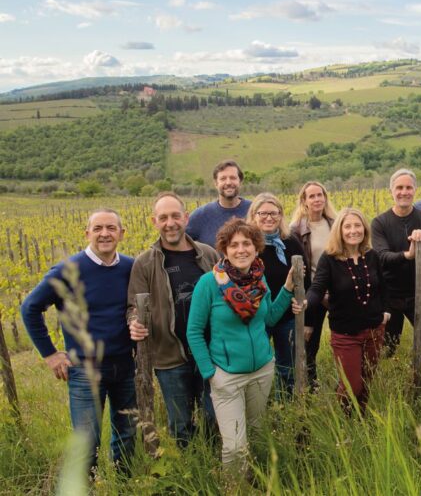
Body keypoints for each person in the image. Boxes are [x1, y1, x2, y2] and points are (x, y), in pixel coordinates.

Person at [21, 209, 136, 472]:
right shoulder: (68, 269)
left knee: (128, 436)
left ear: (121, 233)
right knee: (87, 444)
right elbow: (30, 308)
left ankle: (124, 486)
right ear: (87, 233)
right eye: (97, 229)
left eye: (110, 228)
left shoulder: (130, 266)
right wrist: (50, 354)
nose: (104, 234)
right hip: (85, 370)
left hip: (126, 367)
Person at [186, 219, 303, 470]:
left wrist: (287, 289)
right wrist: (210, 373)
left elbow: (269, 318)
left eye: (247, 244)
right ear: (224, 250)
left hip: (262, 370)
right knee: (235, 446)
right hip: (226, 377)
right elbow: (194, 332)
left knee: (258, 430)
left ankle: (259, 480)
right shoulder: (209, 283)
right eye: (234, 245)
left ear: (256, 247)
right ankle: (235, 487)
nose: (241, 250)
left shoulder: (259, 280)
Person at [127, 192, 221, 447]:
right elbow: (134, 306)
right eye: (163, 217)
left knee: (215, 418)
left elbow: (225, 297)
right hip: (170, 357)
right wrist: (134, 322)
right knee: (180, 425)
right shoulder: (145, 263)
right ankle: (190, 471)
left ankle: (215, 469)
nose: (170, 223)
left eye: (175, 216)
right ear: (154, 221)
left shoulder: (208, 255)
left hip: (210, 352)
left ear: (186, 218)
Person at [308, 208, 391, 411]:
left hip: (374, 329)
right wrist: (306, 303)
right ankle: (344, 421)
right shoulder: (329, 259)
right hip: (346, 333)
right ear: (339, 230)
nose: (353, 230)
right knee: (352, 385)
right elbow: (317, 288)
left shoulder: (372, 256)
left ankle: (361, 420)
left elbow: (383, 286)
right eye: (348, 226)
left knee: (367, 381)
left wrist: (386, 311)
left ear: (364, 228)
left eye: (357, 225)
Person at [372, 169, 421, 360]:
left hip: (420, 292)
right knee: (386, 348)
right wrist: (408, 255)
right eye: (399, 187)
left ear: (415, 190)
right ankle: (388, 382)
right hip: (389, 295)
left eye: (409, 187)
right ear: (391, 190)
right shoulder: (379, 223)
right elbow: (381, 257)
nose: (404, 192)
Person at [247, 193, 310, 397]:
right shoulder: (247, 245)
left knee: (288, 367)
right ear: (254, 215)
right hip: (256, 318)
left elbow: (305, 277)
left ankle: (286, 406)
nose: (268, 218)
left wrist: (303, 299)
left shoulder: (290, 242)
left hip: (287, 316)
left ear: (281, 215)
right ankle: (261, 406)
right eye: (263, 213)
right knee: (258, 367)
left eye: (274, 213)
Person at [290, 180, 336, 389]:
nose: (317, 199)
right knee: (310, 341)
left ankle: (346, 382)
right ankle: (310, 386)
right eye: (312, 196)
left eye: (320, 195)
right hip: (314, 292)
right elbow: (300, 273)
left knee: (344, 337)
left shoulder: (335, 224)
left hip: (336, 291)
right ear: (304, 201)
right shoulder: (296, 231)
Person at [187, 160, 252, 248]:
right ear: (216, 183)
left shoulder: (254, 211)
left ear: (240, 182)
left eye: (233, 178)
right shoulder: (200, 216)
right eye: (223, 179)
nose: (228, 182)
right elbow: (181, 243)